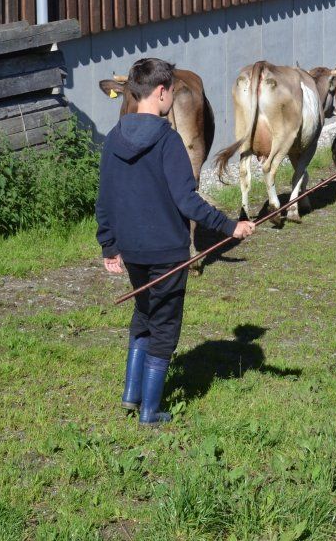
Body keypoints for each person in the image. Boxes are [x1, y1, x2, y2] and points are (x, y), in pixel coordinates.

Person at [97, 58, 255, 424]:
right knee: (165, 328)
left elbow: (104, 200)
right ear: (161, 92)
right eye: (168, 92)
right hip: (167, 252)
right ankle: (150, 412)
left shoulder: (113, 139)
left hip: (133, 252)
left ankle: (130, 396)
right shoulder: (168, 141)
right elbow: (188, 200)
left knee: (144, 315)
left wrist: (109, 246)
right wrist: (231, 226)